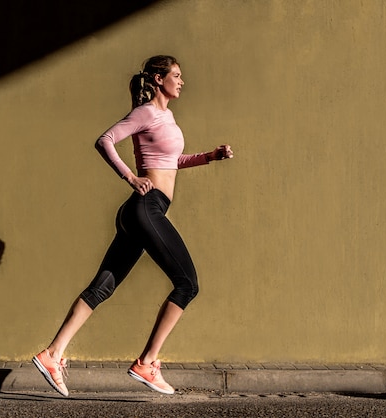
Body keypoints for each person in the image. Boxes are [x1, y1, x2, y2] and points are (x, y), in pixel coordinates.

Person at [33, 55, 233, 396]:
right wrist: (130, 177)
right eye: (177, 75)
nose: (182, 81)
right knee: (187, 284)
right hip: (146, 207)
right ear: (158, 79)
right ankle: (147, 363)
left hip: (142, 212)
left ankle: (53, 354)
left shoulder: (166, 117)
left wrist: (208, 157)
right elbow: (105, 140)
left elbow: (170, 162)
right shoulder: (146, 113)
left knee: (102, 286)